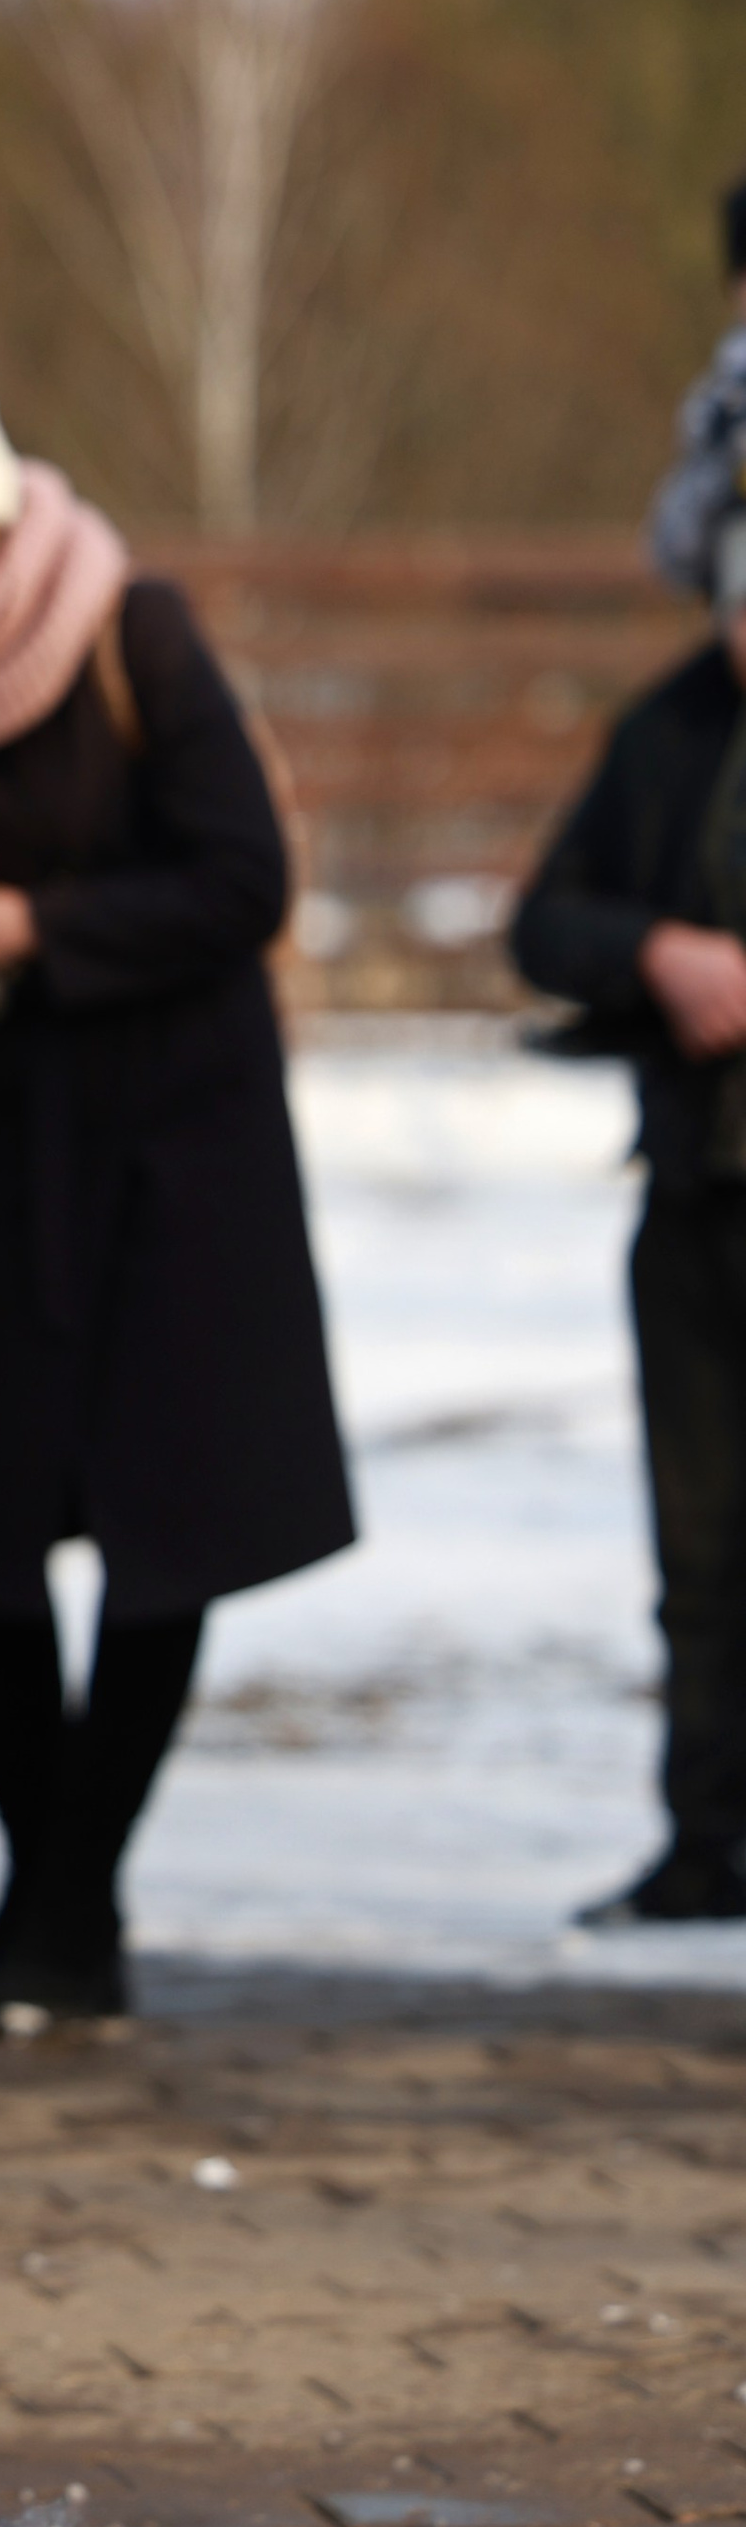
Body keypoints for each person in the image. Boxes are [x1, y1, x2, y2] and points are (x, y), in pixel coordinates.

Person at [0, 314, 355, 2033]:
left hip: (180, 1149)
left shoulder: (131, 630)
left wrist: (26, 924)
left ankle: (65, 1902)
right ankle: (52, 1895)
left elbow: (242, 879)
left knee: (164, 1526)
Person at [513, 172, 746, 1929]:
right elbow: (548, 918)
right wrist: (656, 954)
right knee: (701, 1537)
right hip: (698, 1186)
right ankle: (705, 1832)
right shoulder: (672, 730)